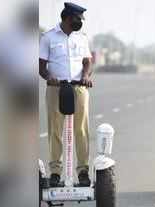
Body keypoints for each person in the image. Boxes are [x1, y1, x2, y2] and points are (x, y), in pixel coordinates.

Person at [39, 2, 93, 187]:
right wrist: (49, 76)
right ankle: (55, 172)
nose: (81, 22)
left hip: (79, 88)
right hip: (56, 88)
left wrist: (86, 76)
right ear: (67, 17)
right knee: (55, 130)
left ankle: (83, 171)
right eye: (78, 19)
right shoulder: (48, 37)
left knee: (82, 130)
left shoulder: (82, 37)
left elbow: (87, 61)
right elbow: (41, 66)